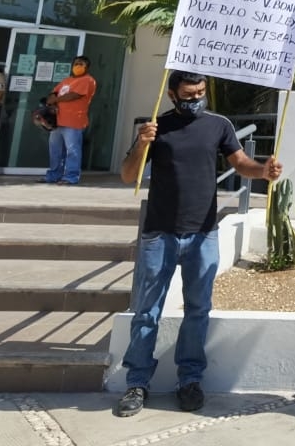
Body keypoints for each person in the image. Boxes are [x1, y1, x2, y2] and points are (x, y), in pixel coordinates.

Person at [114, 70, 282, 418]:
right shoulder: (156, 128)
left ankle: (189, 380)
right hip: (159, 234)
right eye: (189, 95)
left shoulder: (218, 125)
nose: (196, 99)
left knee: (198, 311)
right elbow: (128, 175)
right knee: (147, 311)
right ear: (173, 95)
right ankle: (137, 382)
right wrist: (141, 144)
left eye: (200, 92)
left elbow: (241, 163)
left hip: (203, 233)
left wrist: (263, 170)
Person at [41, 55, 97, 185]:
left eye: (81, 64)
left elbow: (74, 95)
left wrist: (56, 100)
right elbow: (54, 92)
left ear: (87, 67)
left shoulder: (88, 80)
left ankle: (71, 177)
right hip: (57, 121)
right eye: (76, 63)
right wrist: (52, 101)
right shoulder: (67, 80)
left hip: (74, 121)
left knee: (73, 150)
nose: (78, 66)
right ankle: (53, 175)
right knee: (55, 150)